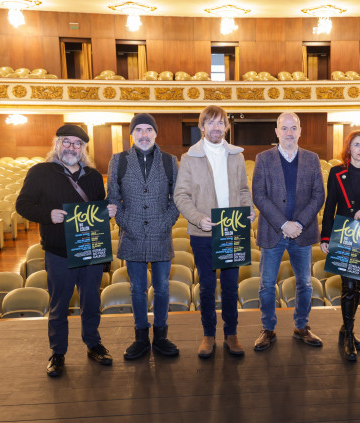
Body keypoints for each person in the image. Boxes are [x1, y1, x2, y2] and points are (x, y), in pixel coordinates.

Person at [16, 124, 117, 377]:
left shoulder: (93, 176)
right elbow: (23, 205)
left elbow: (97, 211)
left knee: (91, 302)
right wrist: (47, 215)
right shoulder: (40, 172)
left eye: (77, 144)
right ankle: (58, 352)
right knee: (59, 305)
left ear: (84, 149)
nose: (72, 147)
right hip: (59, 252)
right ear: (57, 144)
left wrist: (108, 212)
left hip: (90, 250)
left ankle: (94, 344)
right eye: (67, 142)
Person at [174, 105, 255, 358]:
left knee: (231, 287)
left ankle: (231, 334)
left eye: (221, 123)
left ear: (227, 127)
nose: (216, 127)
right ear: (202, 127)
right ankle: (208, 335)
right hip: (203, 233)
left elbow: (243, 190)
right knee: (207, 287)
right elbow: (181, 195)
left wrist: (248, 209)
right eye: (211, 123)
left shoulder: (237, 156)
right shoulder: (189, 158)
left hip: (232, 231)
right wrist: (198, 218)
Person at [107, 113, 180, 360]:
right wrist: (125, 223)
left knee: (162, 288)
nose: (144, 134)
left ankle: (161, 336)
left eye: (149, 129)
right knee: (137, 289)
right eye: (139, 130)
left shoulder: (170, 161)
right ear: (132, 134)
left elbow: (177, 199)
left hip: (161, 234)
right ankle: (140, 337)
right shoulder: (119, 161)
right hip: (132, 234)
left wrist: (166, 223)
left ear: (156, 133)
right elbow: (114, 198)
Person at [252, 112, 326, 351]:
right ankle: (268, 329)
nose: (289, 133)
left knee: (305, 283)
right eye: (284, 128)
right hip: (274, 231)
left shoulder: (312, 159)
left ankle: (301, 326)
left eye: (293, 128)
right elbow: (259, 196)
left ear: (300, 130)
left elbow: (318, 196)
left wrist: (299, 224)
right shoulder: (263, 159)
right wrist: (284, 224)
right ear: (276, 132)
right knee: (266, 284)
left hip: (302, 233)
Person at [320, 131, 360, 361]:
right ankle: (349, 334)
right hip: (343, 233)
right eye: (356, 144)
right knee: (348, 286)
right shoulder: (337, 173)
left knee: (356, 286)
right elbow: (330, 206)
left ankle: (346, 326)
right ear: (349, 148)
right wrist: (325, 238)